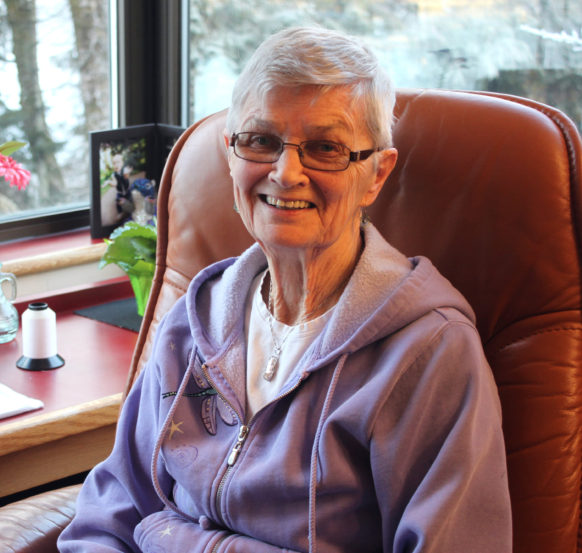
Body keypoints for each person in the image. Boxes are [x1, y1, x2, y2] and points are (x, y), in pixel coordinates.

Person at [58, 26, 511, 552]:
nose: (285, 172)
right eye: (260, 141)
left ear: (376, 174)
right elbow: (112, 510)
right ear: (230, 155)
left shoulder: (430, 354)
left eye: (324, 148)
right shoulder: (194, 320)